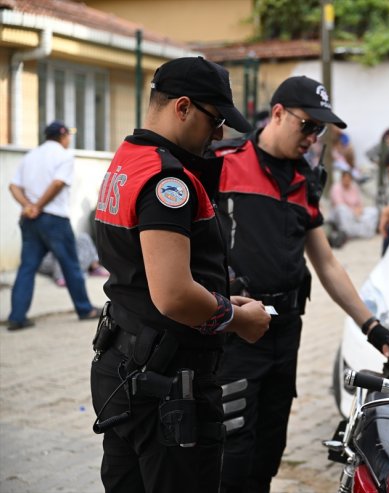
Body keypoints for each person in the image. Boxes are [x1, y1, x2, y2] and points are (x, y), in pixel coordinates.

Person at [210, 75, 389, 493]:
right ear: (278, 114)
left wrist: (372, 327)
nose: (314, 137)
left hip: (285, 332)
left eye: (321, 130)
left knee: (268, 451)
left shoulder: (306, 180)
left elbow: (327, 263)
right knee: (232, 451)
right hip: (237, 329)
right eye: (308, 125)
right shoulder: (222, 163)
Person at [90, 56, 271, 493]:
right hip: (170, 384)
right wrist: (238, 318)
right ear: (183, 107)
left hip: (125, 366)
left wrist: (217, 293)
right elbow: (173, 295)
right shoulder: (168, 181)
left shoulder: (128, 159)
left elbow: (145, 268)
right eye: (215, 120)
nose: (219, 135)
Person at [7, 120, 100, 331]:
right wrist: (38, 206)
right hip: (54, 219)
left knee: (27, 267)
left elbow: (13, 185)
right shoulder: (64, 155)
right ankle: (85, 309)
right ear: (63, 136)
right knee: (71, 265)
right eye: (69, 136)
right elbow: (58, 183)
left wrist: (28, 206)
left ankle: (17, 317)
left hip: (30, 220)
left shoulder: (30, 156)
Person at [39, 231, 108, 287]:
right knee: (60, 246)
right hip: (47, 259)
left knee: (83, 237)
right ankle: (62, 276)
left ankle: (94, 267)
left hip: (67, 257)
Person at [329, 163, 378, 239]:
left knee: (373, 211)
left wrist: (359, 210)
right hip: (343, 213)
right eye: (345, 178)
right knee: (342, 209)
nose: (347, 180)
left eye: (349, 178)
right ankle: (348, 232)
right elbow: (339, 203)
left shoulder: (354, 187)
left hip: (356, 212)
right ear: (342, 178)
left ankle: (364, 232)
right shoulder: (336, 187)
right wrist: (353, 211)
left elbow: (359, 202)